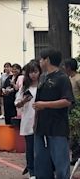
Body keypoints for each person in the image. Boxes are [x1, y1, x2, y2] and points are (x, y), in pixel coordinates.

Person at [33, 48, 75, 179]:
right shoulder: (43, 78)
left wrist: (45, 105)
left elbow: (67, 101)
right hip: (41, 127)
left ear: (48, 60)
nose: (40, 61)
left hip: (57, 127)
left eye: (41, 58)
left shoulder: (62, 78)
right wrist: (35, 122)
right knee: (41, 163)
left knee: (60, 164)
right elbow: (37, 103)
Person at [15, 61, 41, 179]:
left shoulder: (43, 86)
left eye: (35, 71)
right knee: (30, 148)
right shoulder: (25, 87)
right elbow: (17, 104)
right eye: (31, 72)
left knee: (41, 148)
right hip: (28, 120)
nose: (33, 75)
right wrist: (24, 101)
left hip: (42, 121)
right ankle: (32, 171)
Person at [63, 58, 80, 166]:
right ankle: (75, 156)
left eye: (65, 66)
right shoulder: (68, 78)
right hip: (70, 107)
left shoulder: (78, 78)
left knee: (76, 133)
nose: (63, 68)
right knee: (72, 134)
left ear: (69, 67)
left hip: (77, 108)